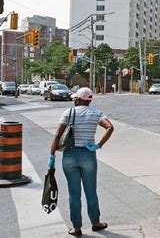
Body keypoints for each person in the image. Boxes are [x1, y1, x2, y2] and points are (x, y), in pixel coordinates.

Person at [48, 87, 114, 237]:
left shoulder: (68, 113)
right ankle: (95, 223)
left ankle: (76, 228)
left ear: (79, 99)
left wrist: (52, 156)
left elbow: (58, 135)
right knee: (91, 192)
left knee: (74, 194)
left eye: (75, 98)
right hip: (88, 155)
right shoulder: (96, 113)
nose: (74, 100)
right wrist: (99, 145)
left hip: (70, 155)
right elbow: (110, 127)